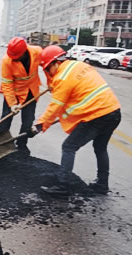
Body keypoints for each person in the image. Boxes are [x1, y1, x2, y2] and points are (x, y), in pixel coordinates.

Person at [29, 45, 121, 195]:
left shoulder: (63, 78)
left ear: (56, 63)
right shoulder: (80, 65)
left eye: (47, 68)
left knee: (69, 147)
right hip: (113, 111)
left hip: (97, 116)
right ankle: (102, 184)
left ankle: (62, 185)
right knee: (100, 147)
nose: (46, 72)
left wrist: (39, 126)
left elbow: (55, 107)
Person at [0, 37, 44, 156]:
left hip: (31, 91)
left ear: (24, 51)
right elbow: (7, 84)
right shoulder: (7, 60)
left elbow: (48, 67)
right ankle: (2, 145)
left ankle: (22, 144)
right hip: (14, 91)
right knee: (6, 117)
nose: (14, 59)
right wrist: (12, 104)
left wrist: (52, 83)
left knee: (28, 120)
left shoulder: (37, 52)